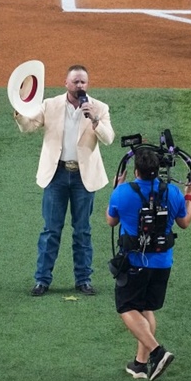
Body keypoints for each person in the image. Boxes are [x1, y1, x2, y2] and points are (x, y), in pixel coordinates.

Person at [13, 64, 114, 296]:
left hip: (83, 177)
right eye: (76, 82)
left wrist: (95, 120)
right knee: (50, 230)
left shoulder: (99, 108)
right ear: (66, 84)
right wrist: (19, 110)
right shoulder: (50, 105)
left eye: (83, 82)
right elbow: (28, 127)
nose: (80, 86)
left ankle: (83, 279)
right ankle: (42, 280)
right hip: (56, 175)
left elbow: (108, 138)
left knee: (82, 231)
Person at [106, 148, 191, 381]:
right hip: (163, 263)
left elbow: (110, 220)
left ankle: (157, 352)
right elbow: (184, 222)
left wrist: (116, 187)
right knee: (146, 308)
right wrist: (189, 196)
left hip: (134, 262)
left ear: (137, 171)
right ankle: (140, 365)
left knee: (126, 307)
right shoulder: (173, 193)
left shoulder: (122, 193)